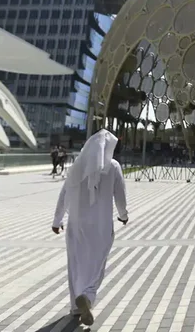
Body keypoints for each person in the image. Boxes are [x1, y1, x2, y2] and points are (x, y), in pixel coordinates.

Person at [51, 129, 128, 326]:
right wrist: (123, 216)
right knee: (96, 266)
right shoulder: (113, 166)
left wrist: (57, 221)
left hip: (76, 226)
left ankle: (77, 306)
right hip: (101, 227)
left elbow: (64, 194)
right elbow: (120, 196)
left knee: (76, 265)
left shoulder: (77, 166)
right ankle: (88, 297)